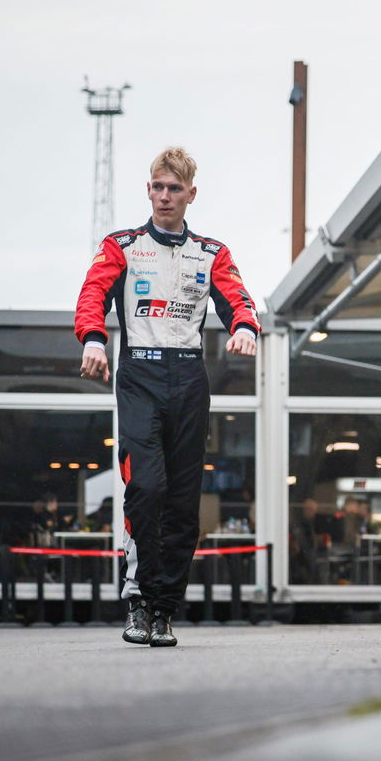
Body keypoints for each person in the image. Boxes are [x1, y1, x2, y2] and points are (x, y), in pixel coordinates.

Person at [76, 146, 260, 647]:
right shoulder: (123, 245)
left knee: (182, 505)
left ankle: (164, 609)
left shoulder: (211, 252)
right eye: (157, 187)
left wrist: (245, 327)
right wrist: (94, 337)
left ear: (190, 195)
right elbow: (93, 293)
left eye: (174, 189)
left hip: (189, 380)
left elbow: (237, 295)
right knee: (147, 489)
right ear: (148, 190)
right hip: (140, 376)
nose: (164, 196)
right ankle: (137, 599)